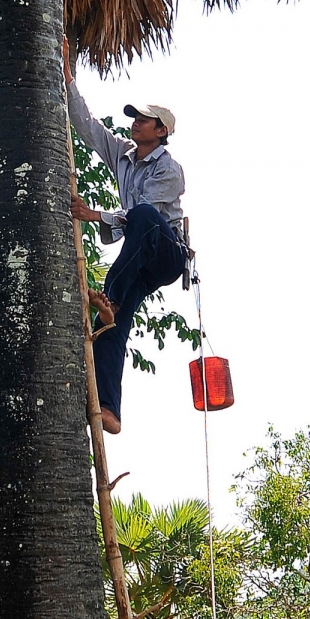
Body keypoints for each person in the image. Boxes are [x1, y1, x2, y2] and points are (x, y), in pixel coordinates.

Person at [65, 54, 188, 436]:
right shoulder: (123, 153)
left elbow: (139, 213)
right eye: (134, 118)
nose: (135, 123)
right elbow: (88, 128)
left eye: (143, 120)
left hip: (165, 252)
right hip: (138, 258)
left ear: (161, 131)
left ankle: (111, 300)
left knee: (145, 214)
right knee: (112, 327)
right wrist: (69, 79)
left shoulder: (169, 169)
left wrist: (94, 215)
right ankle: (108, 408)